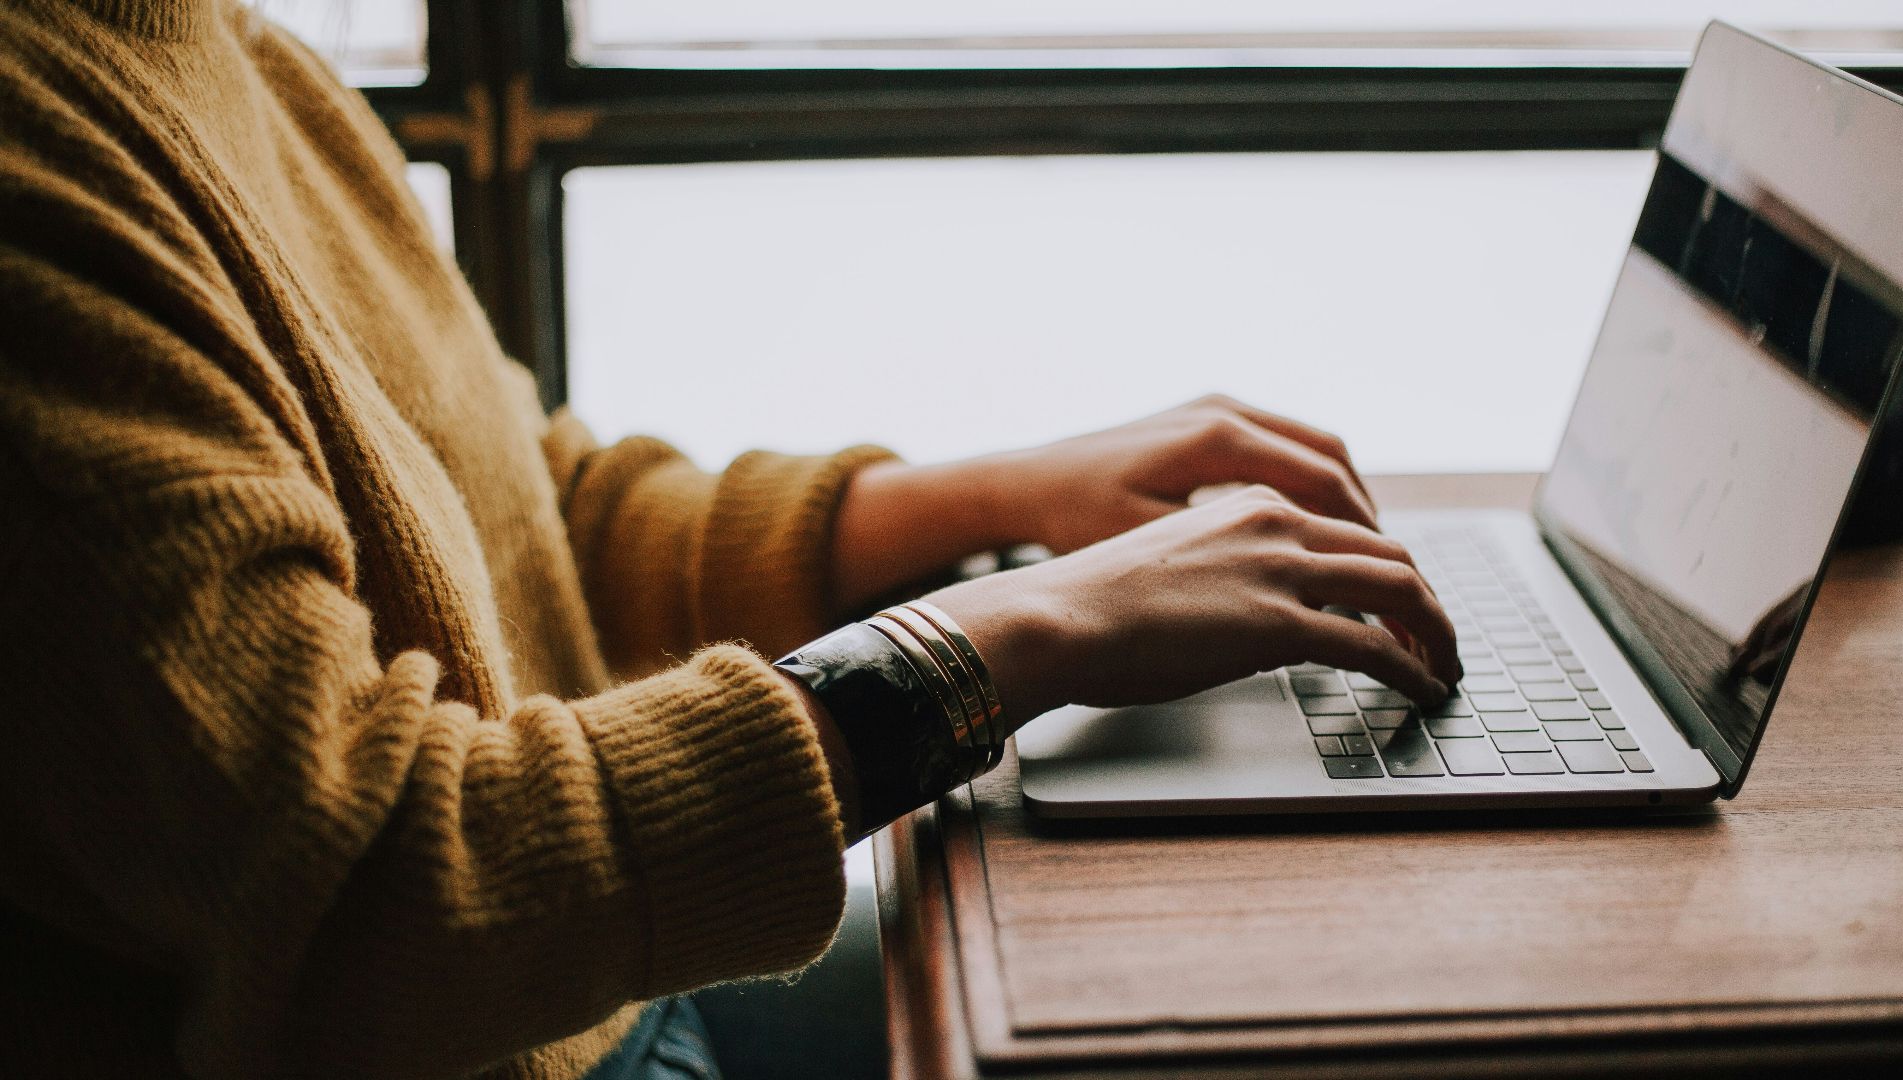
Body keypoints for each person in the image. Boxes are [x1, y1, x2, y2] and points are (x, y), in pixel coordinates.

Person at [0, 2, 1460, 1078]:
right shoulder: (35, 161)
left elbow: (524, 520)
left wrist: (999, 499)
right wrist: (1015, 634)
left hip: (590, 1000)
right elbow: (377, 902)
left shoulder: (219, 45)